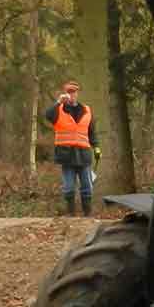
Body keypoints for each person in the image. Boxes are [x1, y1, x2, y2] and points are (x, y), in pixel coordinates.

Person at [45, 80, 101, 216]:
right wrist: (58, 102)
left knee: (87, 187)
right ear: (65, 93)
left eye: (73, 92)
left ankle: (87, 215)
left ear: (77, 93)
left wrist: (96, 146)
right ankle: (71, 215)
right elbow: (48, 115)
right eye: (69, 92)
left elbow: (91, 131)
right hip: (66, 155)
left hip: (84, 155)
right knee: (69, 188)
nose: (71, 94)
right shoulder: (58, 110)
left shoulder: (87, 110)